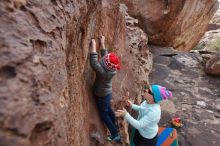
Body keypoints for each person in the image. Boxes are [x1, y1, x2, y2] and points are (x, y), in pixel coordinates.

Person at [89, 36, 121, 142]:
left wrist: (93, 45)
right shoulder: (111, 70)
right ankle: (115, 124)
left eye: (104, 60)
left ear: (105, 65)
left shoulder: (103, 73)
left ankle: (115, 133)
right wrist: (102, 43)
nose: (104, 57)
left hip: (102, 95)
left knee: (104, 114)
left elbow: (94, 63)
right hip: (107, 93)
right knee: (108, 109)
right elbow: (105, 56)